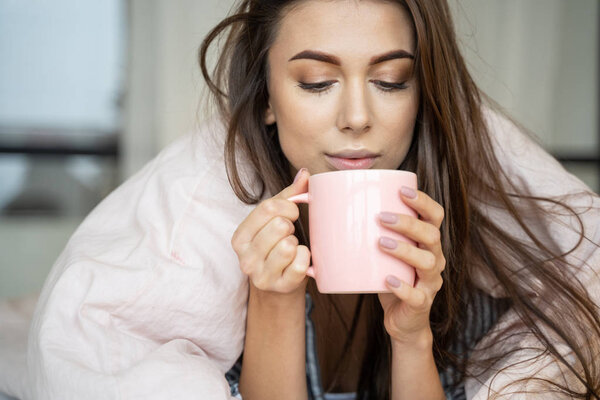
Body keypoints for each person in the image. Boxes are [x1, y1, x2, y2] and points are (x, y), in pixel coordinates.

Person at [25, 0, 600, 399]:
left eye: (392, 81)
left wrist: (412, 336)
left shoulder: (462, 240)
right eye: (317, 83)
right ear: (268, 97)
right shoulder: (211, 214)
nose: (356, 118)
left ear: (423, 93)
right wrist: (271, 300)